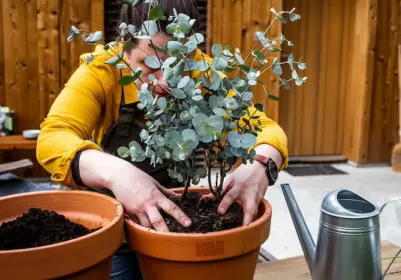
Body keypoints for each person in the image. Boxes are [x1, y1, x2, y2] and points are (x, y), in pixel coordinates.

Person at [36, 0, 288, 278]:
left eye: (176, 65)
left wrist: (262, 163)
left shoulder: (203, 73)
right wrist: (119, 174)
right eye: (147, 64)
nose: (163, 81)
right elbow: (53, 137)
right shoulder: (103, 69)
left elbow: (264, 128)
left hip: (176, 224)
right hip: (111, 230)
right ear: (124, 50)